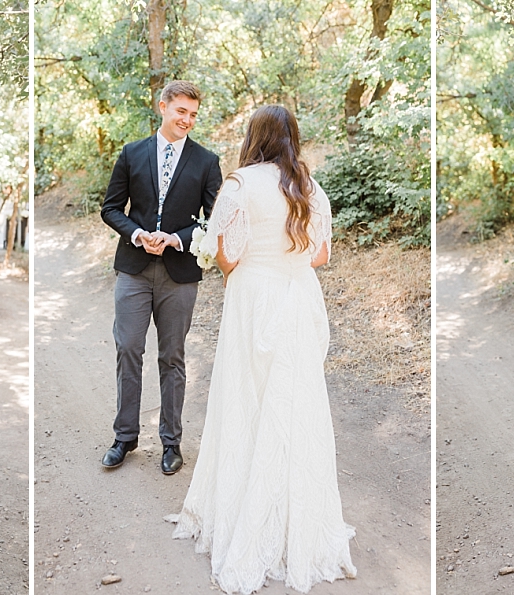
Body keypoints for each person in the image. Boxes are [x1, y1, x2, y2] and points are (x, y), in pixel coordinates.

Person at [168, 105, 356, 594]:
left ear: (254, 137)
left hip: (254, 300)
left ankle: (243, 511)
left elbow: (227, 254)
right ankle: (298, 522)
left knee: (246, 401)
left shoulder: (238, 185)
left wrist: (227, 261)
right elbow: (321, 254)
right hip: (297, 300)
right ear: (292, 138)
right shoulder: (310, 188)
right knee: (294, 406)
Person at [98, 80, 222, 474]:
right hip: (133, 269)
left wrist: (177, 238)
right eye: (180, 111)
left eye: (193, 115)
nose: (187, 120)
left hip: (180, 274)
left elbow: (214, 219)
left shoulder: (207, 162)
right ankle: (125, 437)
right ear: (162, 107)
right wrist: (136, 233)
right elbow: (111, 207)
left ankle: (171, 442)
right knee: (129, 348)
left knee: (172, 357)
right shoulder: (132, 153)